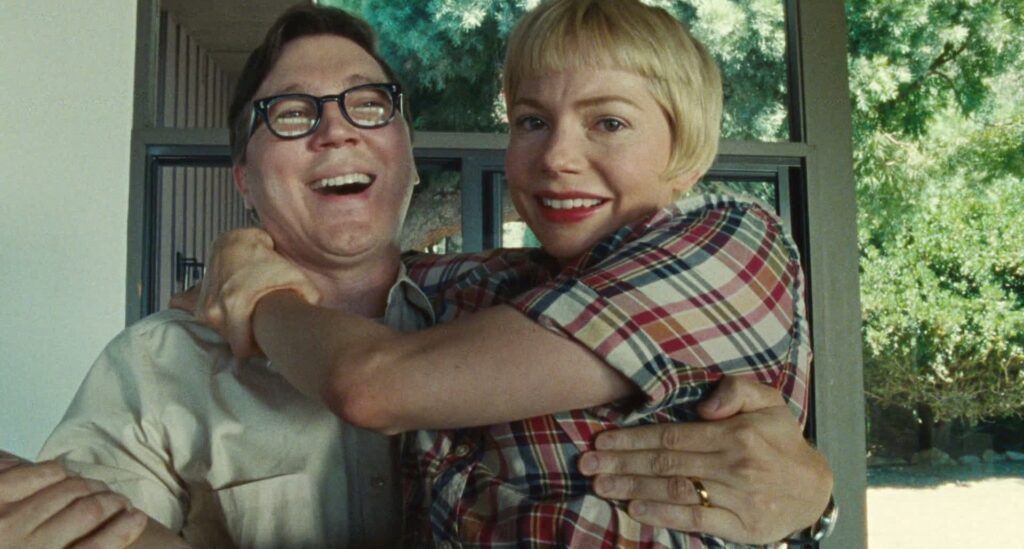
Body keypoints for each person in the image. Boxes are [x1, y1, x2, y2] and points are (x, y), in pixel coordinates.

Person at [0, 4, 830, 548]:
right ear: (244, 177)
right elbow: (65, 527)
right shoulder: (155, 366)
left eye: (368, 104)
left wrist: (815, 502)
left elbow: (375, 381)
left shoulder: (495, 300)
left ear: (405, 153)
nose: (336, 131)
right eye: (291, 113)